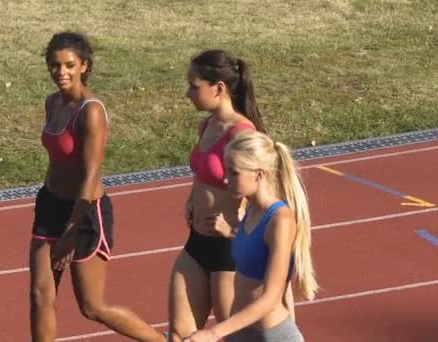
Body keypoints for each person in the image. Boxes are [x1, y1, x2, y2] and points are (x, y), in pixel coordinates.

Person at [29, 31, 164, 342]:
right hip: (50, 206)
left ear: (84, 66)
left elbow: (91, 176)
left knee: (92, 306)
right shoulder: (52, 103)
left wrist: (71, 232)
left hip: (85, 213)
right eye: (54, 65)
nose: (60, 72)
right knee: (40, 295)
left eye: (69, 65)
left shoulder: (90, 111)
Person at [168, 49, 295, 341]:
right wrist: (192, 197)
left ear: (219, 88)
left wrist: (234, 230)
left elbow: (266, 199)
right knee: (179, 335)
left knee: (232, 336)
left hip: (228, 252)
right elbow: (205, 174)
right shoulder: (207, 125)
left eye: (194, 86)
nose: (188, 93)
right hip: (197, 243)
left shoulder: (243, 133)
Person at [183, 130, 319, 342]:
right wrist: (230, 232)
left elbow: (272, 296)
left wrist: (215, 332)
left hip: (272, 337)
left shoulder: (280, 220)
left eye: (233, 173)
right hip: (241, 334)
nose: (226, 179)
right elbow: (257, 252)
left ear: (259, 174)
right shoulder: (250, 212)